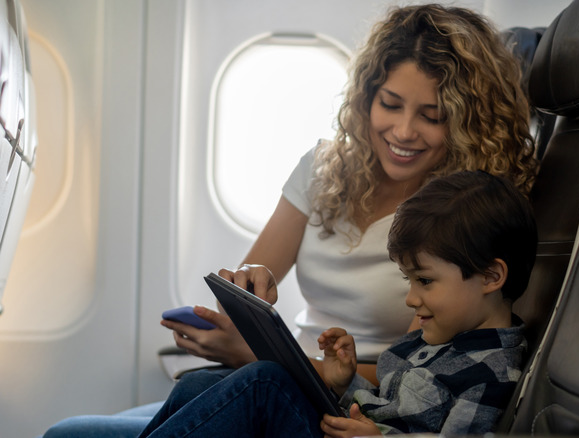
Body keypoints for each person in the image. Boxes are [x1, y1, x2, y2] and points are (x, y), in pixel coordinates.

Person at [41, 3, 537, 437]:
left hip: (329, 390)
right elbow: (251, 286)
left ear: (467, 119)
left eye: (432, 116)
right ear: (366, 96)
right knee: (68, 432)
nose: (403, 130)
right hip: (297, 372)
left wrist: (266, 360)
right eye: (389, 104)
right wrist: (251, 294)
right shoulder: (323, 169)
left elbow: (405, 373)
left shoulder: (455, 220)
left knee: (259, 384)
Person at [137, 169, 538, 437]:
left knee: (265, 382)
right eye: (410, 281)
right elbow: (388, 407)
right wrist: (347, 383)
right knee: (199, 383)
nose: (411, 297)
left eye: (426, 281)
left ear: (491, 276)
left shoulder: (493, 371)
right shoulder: (444, 335)